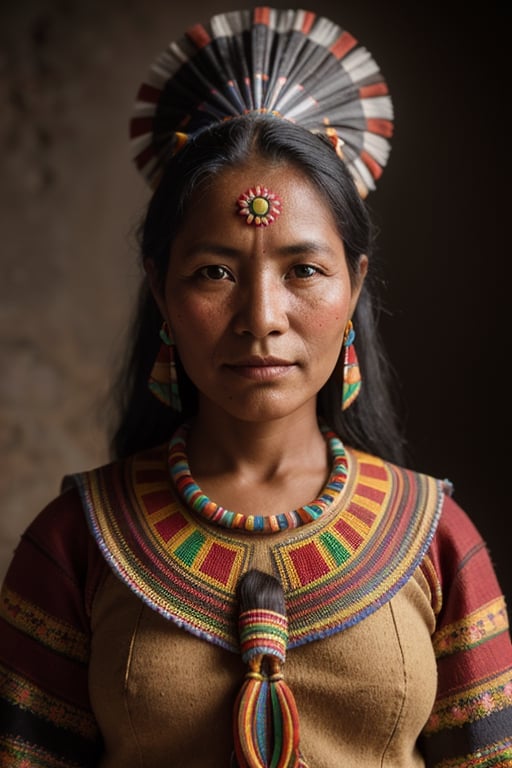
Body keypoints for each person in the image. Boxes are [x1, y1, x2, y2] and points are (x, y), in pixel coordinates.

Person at [0, 7, 511, 768]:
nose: (261, 318)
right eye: (214, 273)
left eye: (304, 270)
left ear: (355, 286)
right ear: (162, 290)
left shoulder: (437, 539)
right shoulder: (76, 541)